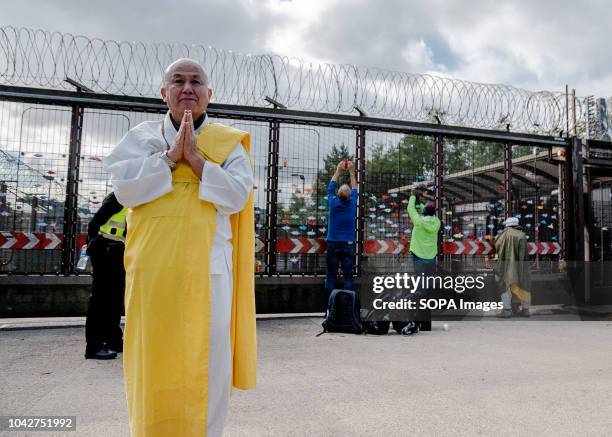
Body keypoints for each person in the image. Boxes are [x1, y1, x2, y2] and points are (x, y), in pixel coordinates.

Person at [104, 58, 256, 437]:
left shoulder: (227, 144)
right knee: (152, 358)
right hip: (152, 271)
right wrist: (171, 158)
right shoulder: (141, 139)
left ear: (209, 94)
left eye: (196, 82)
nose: (187, 88)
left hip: (208, 271)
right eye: (178, 81)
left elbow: (237, 196)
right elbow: (126, 191)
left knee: (208, 360)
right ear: (164, 92)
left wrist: (197, 161)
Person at [84, 191, 126, 360]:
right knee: (100, 299)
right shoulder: (119, 197)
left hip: (117, 249)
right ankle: (93, 346)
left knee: (115, 298)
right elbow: (94, 224)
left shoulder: (132, 197)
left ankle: (113, 340)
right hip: (105, 248)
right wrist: (96, 244)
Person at [406, 186, 441, 333]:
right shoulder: (437, 222)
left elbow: (410, 209)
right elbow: (423, 210)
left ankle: (417, 319)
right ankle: (426, 322)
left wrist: (414, 196)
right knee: (427, 289)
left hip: (419, 258)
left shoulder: (419, 222)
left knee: (419, 289)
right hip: (431, 258)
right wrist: (421, 202)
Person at [325, 160, 358, 307]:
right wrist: (351, 171)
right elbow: (355, 187)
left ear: (337, 194)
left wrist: (338, 170)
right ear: (350, 196)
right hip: (349, 244)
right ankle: (347, 307)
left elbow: (330, 186)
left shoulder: (333, 202)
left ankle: (329, 308)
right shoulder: (353, 203)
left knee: (331, 276)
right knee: (348, 276)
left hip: (333, 243)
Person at [494, 217, 532, 318]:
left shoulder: (503, 234)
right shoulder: (522, 235)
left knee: (505, 285)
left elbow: (496, 245)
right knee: (523, 284)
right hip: (521, 266)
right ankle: (525, 310)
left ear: (507, 225)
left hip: (507, 266)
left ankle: (507, 310)